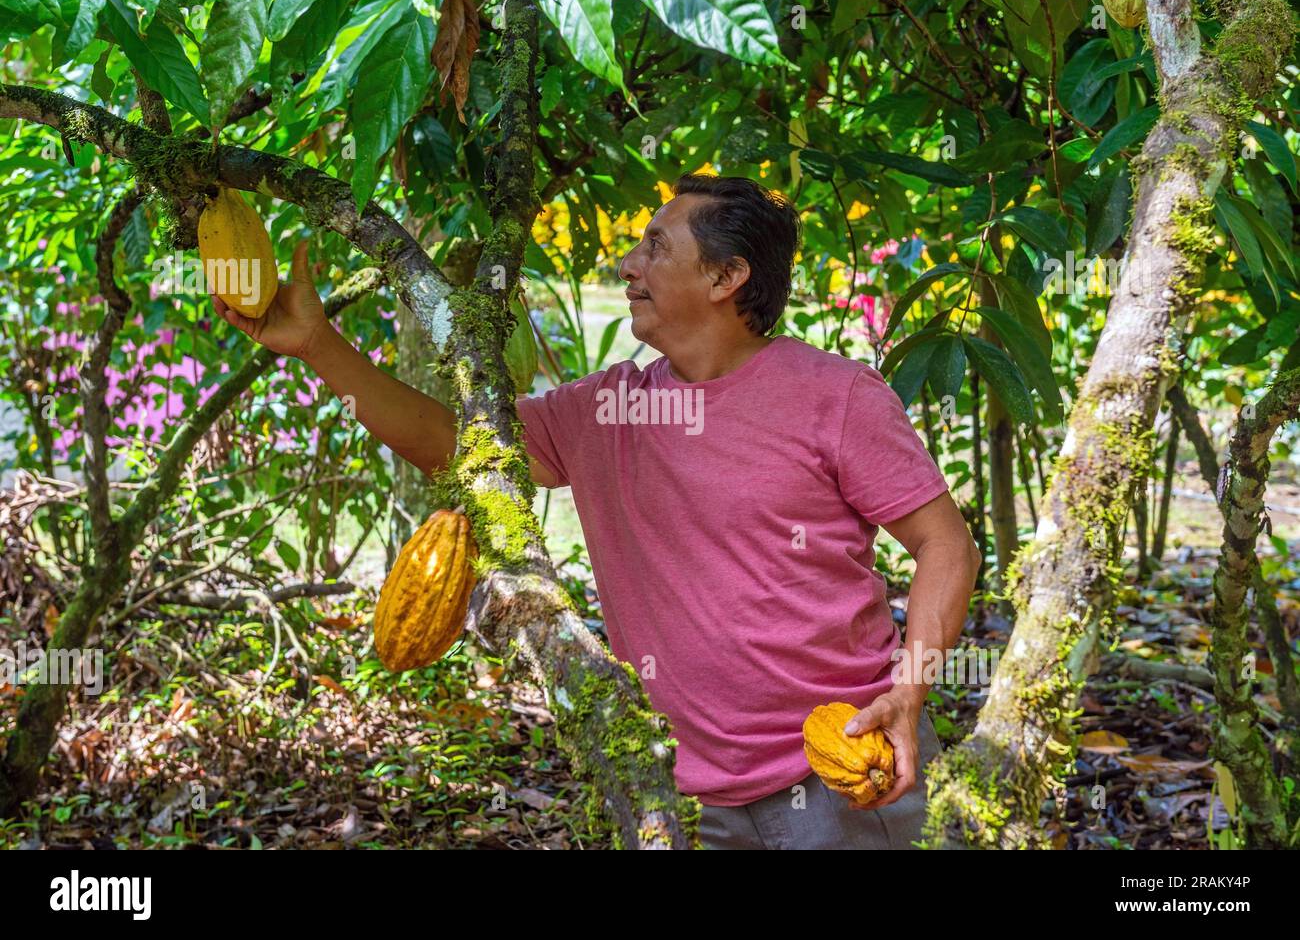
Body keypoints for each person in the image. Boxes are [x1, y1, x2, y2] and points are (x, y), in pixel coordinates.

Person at [211, 172, 981, 849]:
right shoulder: (609, 409)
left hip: (848, 777)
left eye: (654, 247)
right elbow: (453, 443)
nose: (628, 264)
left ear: (727, 277)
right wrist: (318, 344)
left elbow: (947, 546)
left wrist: (909, 691)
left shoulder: (835, 396)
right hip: (685, 801)